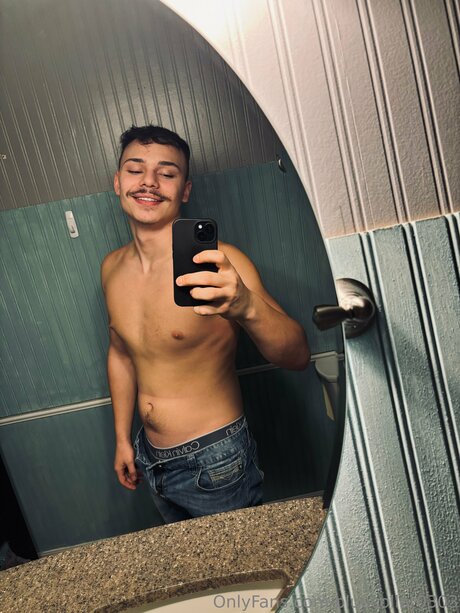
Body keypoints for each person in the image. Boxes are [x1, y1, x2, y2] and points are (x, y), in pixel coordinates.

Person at [101, 125, 310, 523]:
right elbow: (121, 354)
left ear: (185, 190)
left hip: (217, 460)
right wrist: (122, 439)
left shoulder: (220, 262)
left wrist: (246, 305)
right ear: (117, 182)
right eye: (135, 169)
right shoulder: (111, 268)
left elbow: (298, 355)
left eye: (166, 173)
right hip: (150, 458)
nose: (148, 181)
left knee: (239, 562)